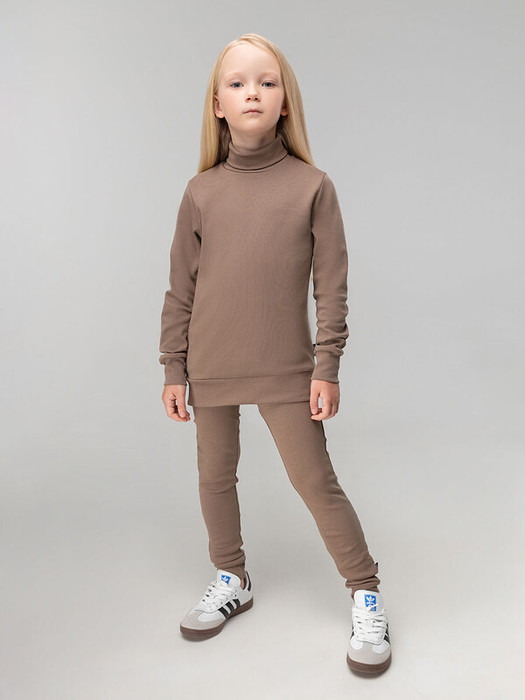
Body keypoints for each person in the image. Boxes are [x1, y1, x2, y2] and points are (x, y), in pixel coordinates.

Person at [158, 32, 392, 675]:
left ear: (285, 101)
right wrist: (173, 367)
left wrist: (326, 365)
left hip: (287, 367)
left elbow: (331, 287)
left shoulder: (313, 186)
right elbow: (181, 288)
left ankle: (366, 591)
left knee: (314, 481)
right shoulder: (200, 191)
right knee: (214, 477)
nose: (252, 92)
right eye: (236, 83)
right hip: (210, 364)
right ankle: (231, 577)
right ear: (218, 106)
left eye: (266, 81)